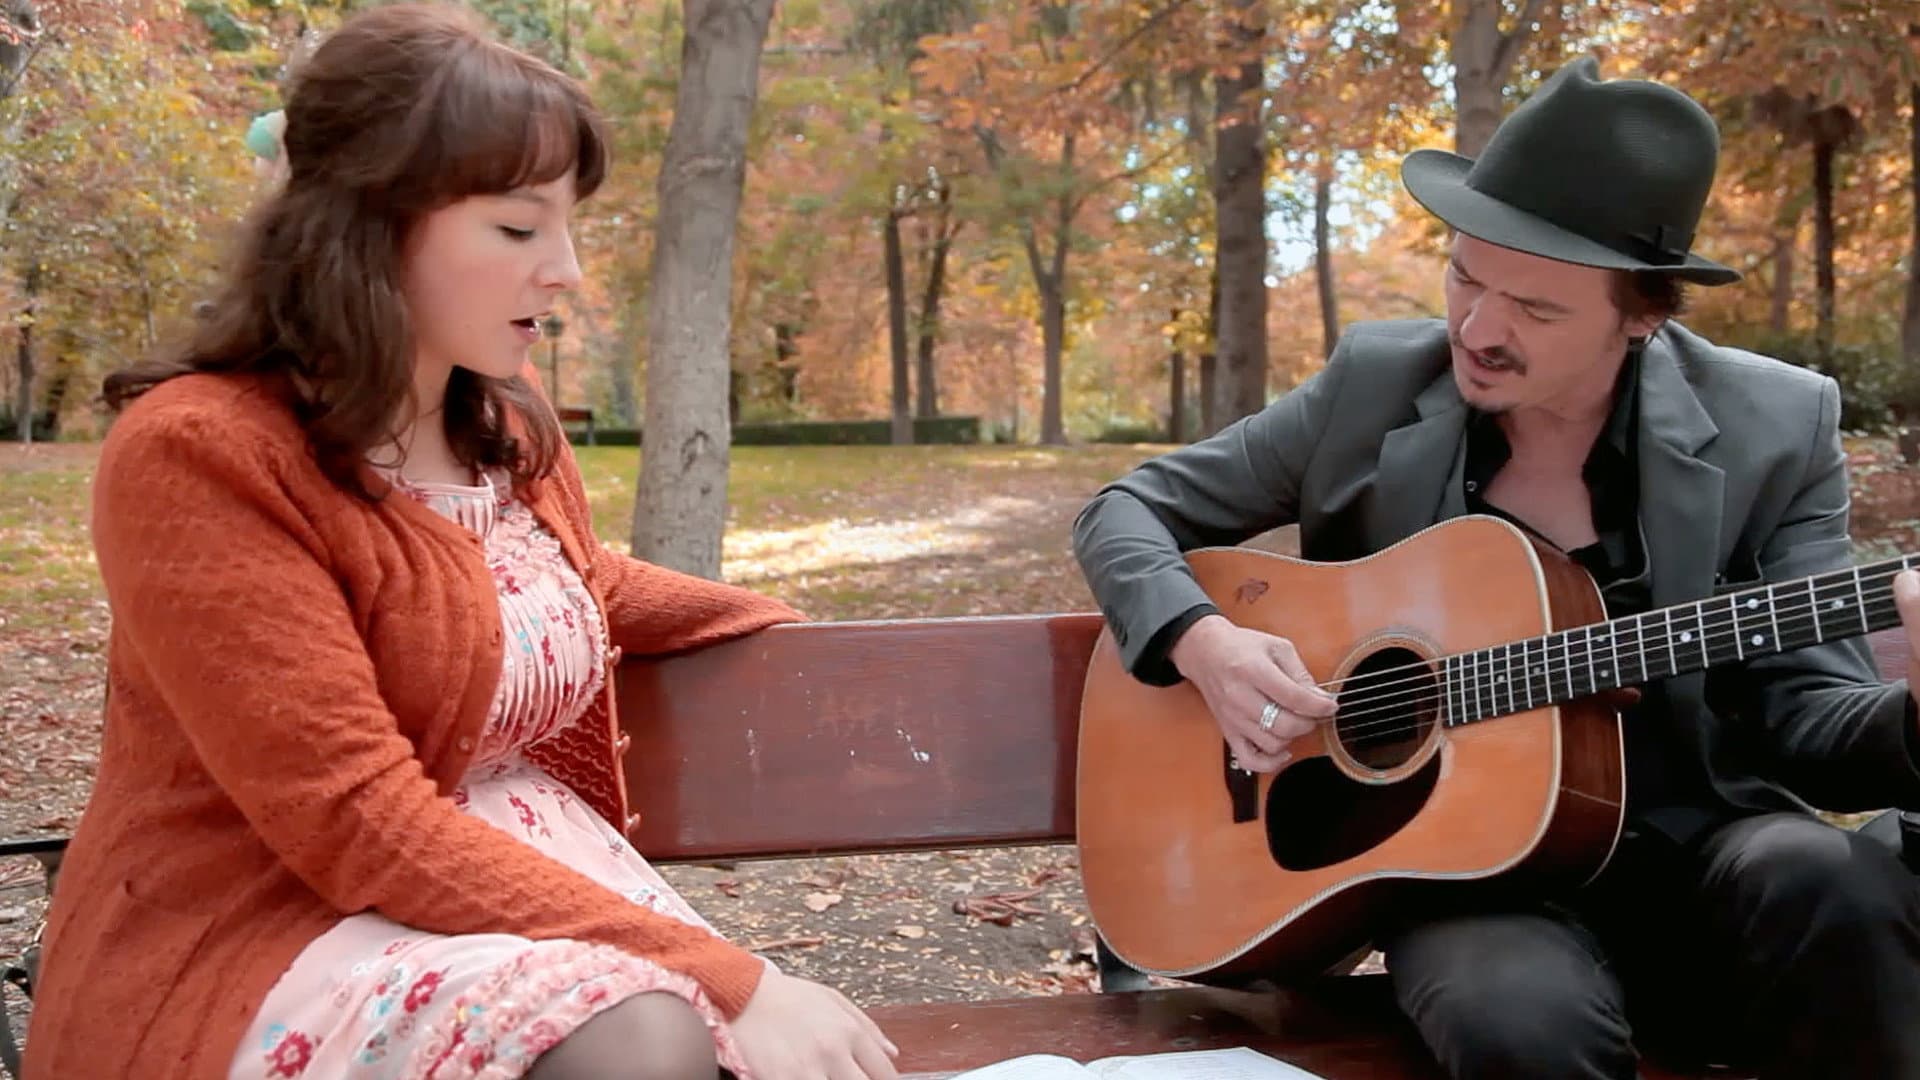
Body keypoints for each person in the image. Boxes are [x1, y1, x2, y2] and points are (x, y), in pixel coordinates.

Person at [23, 6, 898, 1079]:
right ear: (370, 225)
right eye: (520, 230)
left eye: (569, 226)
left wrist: (773, 626)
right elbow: (351, 817)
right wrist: (735, 974)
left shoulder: (506, 417)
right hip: (266, 934)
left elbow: (548, 587)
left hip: (500, 900)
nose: (565, 270)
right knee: (637, 1032)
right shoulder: (200, 455)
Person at [1073, 57, 1920, 1080]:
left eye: (1538, 309)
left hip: (1703, 855)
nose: (1478, 329)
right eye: (1465, 274)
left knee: (1836, 881)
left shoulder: (1776, 426)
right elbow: (1126, 510)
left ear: (1643, 317)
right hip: (1468, 879)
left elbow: (1815, 725)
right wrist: (1201, 641)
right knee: (1516, 1019)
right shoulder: (1376, 387)